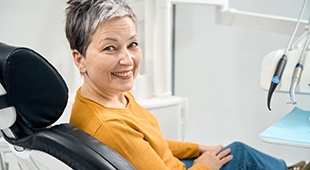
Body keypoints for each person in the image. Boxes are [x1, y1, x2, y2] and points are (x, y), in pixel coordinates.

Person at [65, 0, 309, 169]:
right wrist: (205, 165)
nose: (127, 59)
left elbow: (151, 142)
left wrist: (197, 149)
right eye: (110, 48)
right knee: (242, 156)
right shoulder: (109, 126)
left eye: (132, 44)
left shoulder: (108, 97)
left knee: (234, 150)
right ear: (80, 59)